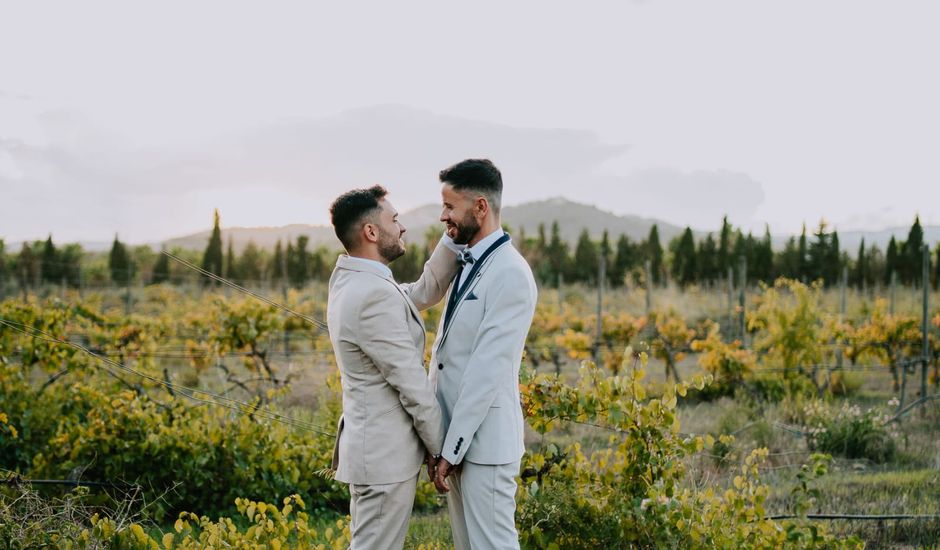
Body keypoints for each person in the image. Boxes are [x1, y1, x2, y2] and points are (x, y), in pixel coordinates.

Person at [327, 185, 458, 550]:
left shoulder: (357, 281)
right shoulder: (371, 294)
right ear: (371, 232)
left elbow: (416, 295)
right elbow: (411, 383)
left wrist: (450, 243)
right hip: (383, 459)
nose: (401, 228)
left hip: (376, 453)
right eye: (395, 219)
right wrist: (441, 448)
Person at [428, 159, 538, 549]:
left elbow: (485, 372)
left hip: (485, 446)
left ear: (480, 208)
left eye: (450, 206)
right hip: (459, 439)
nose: (443, 216)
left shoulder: (510, 272)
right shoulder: (470, 260)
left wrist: (452, 449)